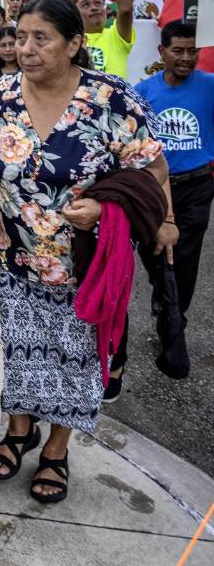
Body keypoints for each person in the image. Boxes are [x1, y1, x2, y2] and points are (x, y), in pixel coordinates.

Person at [0, 0, 166, 504]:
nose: (25, 49)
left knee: (72, 364)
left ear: (74, 44)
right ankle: (18, 430)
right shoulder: (2, 93)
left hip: (83, 266)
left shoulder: (111, 99)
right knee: (15, 357)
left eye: (41, 38)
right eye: (20, 37)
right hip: (11, 259)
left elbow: (152, 170)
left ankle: (56, 448)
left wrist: (106, 209)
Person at [130, 20, 212, 381]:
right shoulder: (142, 92)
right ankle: (165, 302)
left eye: (192, 50)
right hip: (153, 190)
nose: (186, 57)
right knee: (156, 258)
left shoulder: (210, 87)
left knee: (182, 263)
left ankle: (173, 333)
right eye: (177, 50)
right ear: (162, 52)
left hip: (196, 188)